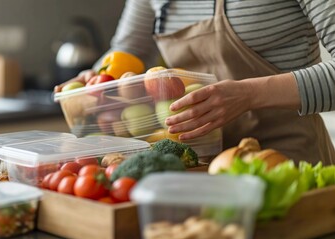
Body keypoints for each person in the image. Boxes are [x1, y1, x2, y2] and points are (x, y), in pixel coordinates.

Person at [55, 0, 335, 165]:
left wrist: (248, 94)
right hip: (194, 166)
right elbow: (128, 52)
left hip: (285, 163)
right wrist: (97, 78)